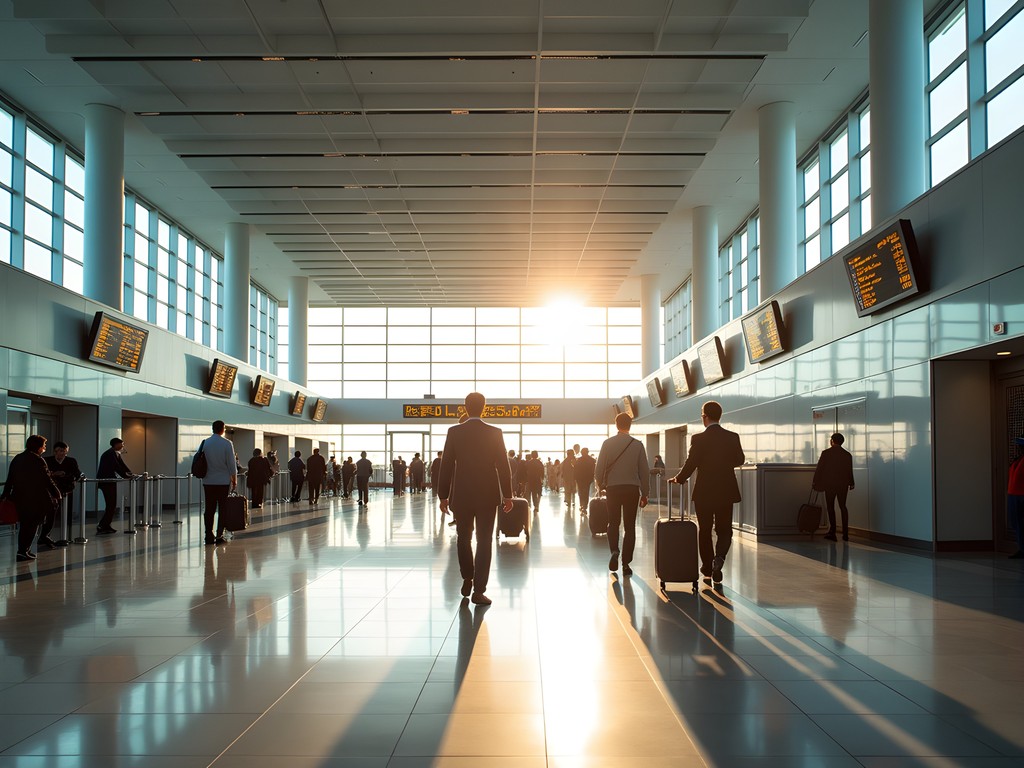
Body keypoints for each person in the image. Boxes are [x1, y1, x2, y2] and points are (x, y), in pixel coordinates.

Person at [437, 392, 514, 606]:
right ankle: (479, 591)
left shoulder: (454, 432)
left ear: (464, 407)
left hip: (461, 495)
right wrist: (508, 495)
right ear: (484, 407)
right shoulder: (495, 432)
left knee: (463, 538)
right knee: (484, 541)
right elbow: (503, 466)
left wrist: (443, 495)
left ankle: (467, 578)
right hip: (488, 495)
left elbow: (446, 466)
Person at [669, 400, 745, 584]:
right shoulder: (732, 437)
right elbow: (740, 459)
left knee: (704, 530)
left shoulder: (698, 439)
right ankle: (719, 559)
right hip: (726, 490)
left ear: (705, 417)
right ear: (720, 416)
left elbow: (691, 463)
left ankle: (707, 569)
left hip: (704, 491)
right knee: (724, 529)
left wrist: (679, 478)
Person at [595, 414, 650, 576]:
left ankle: (614, 551)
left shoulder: (607, 443)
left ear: (616, 424)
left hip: (613, 489)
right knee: (630, 526)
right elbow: (644, 472)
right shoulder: (638, 445)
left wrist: (601, 485)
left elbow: (599, 469)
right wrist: (645, 493)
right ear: (630, 425)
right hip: (631, 489)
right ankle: (626, 563)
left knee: (613, 522)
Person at [2, 434, 62, 561]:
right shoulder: (38, 460)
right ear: (39, 447)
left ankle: (22, 550)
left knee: (24, 524)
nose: (45, 448)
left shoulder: (17, 458)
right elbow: (47, 479)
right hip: (35, 498)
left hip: (19, 497)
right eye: (44, 446)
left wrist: (5, 494)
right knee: (32, 524)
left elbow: (10, 478)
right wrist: (56, 492)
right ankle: (24, 550)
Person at [199, 420, 237, 545]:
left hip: (208, 481)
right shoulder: (227, 443)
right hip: (223, 482)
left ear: (212, 429)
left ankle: (208, 535)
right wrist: (234, 479)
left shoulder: (205, 443)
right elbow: (231, 464)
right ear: (222, 429)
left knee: (209, 509)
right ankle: (219, 534)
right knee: (223, 508)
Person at [812, 432, 855, 541]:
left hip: (830, 484)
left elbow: (820, 469)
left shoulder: (826, 453)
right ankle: (845, 534)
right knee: (843, 506)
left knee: (830, 507)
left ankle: (833, 532)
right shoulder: (847, 454)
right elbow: (849, 470)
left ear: (832, 441)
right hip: (843, 485)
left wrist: (815, 481)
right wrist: (852, 483)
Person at [44, 441, 81, 542]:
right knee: (50, 512)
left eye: (61, 451)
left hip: (67, 489)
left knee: (67, 510)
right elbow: (44, 474)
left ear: (66, 451)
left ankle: (67, 535)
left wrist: (65, 474)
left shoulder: (71, 461)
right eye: (56, 451)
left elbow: (77, 474)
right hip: (52, 490)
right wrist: (54, 474)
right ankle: (46, 535)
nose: (58, 454)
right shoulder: (47, 460)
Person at [96, 437, 134, 535]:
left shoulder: (115, 453)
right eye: (122, 444)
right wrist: (126, 476)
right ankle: (102, 525)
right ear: (116, 444)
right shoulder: (110, 454)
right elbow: (116, 467)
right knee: (111, 505)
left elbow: (122, 465)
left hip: (110, 482)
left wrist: (130, 473)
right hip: (107, 482)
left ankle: (106, 525)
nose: (123, 446)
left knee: (111, 505)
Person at [1008, 437, 1024, 559]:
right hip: (1013, 494)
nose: (1018, 447)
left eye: (1020, 445)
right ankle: (1021, 547)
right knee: (1016, 522)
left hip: (1022, 494)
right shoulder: (1017, 459)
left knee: (1022, 522)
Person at [575, 447, 596, 512]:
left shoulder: (578, 460)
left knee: (581, 492)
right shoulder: (592, 460)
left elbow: (576, 470)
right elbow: (593, 470)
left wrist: (575, 478)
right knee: (586, 492)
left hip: (580, 479)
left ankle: (582, 505)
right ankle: (585, 506)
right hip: (587, 479)